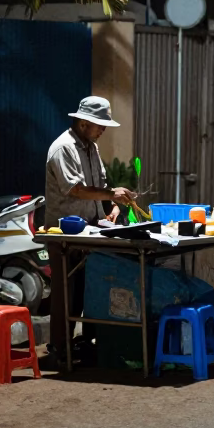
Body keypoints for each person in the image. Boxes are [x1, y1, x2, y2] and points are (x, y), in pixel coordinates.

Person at [44, 96, 135, 367]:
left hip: (91, 233)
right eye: (100, 125)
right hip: (65, 234)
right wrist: (110, 194)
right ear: (83, 123)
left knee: (90, 290)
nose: (103, 130)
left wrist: (112, 207)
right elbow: (76, 190)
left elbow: (100, 188)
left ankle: (85, 344)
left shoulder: (91, 148)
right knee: (66, 295)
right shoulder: (63, 148)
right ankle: (59, 351)